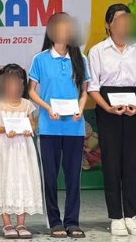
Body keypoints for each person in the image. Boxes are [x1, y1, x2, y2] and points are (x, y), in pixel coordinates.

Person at [87, 5, 136, 236]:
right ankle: (116, 216)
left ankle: (132, 216)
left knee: (131, 161)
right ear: (108, 24)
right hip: (108, 108)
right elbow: (93, 87)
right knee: (112, 162)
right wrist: (106, 106)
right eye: (119, 20)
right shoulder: (97, 51)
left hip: (134, 108)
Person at [28, 12, 89, 238]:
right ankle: (55, 221)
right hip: (49, 126)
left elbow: (84, 92)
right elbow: (31, 91)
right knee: (50, 176)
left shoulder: (80, 59)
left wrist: (81, 108)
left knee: (74, 177)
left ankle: (72, 221)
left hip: (74, 127)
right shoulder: (40, 59)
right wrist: (47, 107)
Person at [0, 64, 42, 239]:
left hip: (23, 149)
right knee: (3, 180)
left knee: (23, 180)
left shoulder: (27, 104)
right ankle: (7, 224)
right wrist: (5, 129)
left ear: (23, 86)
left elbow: (33, 125)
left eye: (18, 83)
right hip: (3, 148)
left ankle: (21, 223)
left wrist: (31, 129)